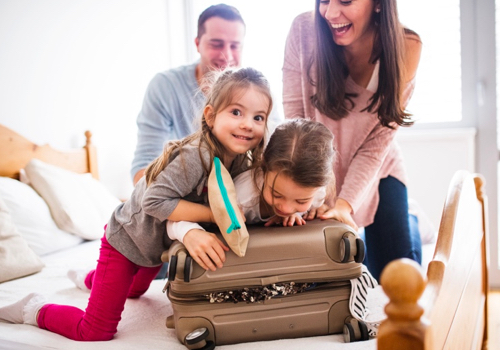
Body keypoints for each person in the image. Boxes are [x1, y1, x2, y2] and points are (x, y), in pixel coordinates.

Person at [0, 67, 273, 341]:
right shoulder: (193, 156)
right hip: (127, 240)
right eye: (236, 112)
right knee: (95, 331)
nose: (248, 123)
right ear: (211, 115)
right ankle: (33, 308)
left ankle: (89, 279)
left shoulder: (240, 162)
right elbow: (154, 202)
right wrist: (216, 215)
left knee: (134, 292)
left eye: (258, 117)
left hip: (154, 248)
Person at [282, 0, 422, 281]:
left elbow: (377, 145)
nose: (331, 13)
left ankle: (412, 220)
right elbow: (296, 121)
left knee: (396, 274)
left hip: (378, 169)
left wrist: (345, 204)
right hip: (319, 167)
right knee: (335, 273)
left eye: (346, 0)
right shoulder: (304, 30)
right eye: (324, 1)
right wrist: (314, 192)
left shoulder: (406, 46)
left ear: (379, 5)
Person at [131, 3, 283, 186]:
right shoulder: (165, 86)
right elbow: (144, 166)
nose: (226, 55)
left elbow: (277, 154)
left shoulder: (260, 93)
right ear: (197, 44)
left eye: (234, 46)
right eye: (216, 44)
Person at [167, 118, 337, 271]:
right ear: (263, 168)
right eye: (276, 195)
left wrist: (306, 211)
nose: (286, 208)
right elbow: (172, 219)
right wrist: (189, 233)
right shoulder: (241, 196)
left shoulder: (317, 192)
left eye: (301, 200)